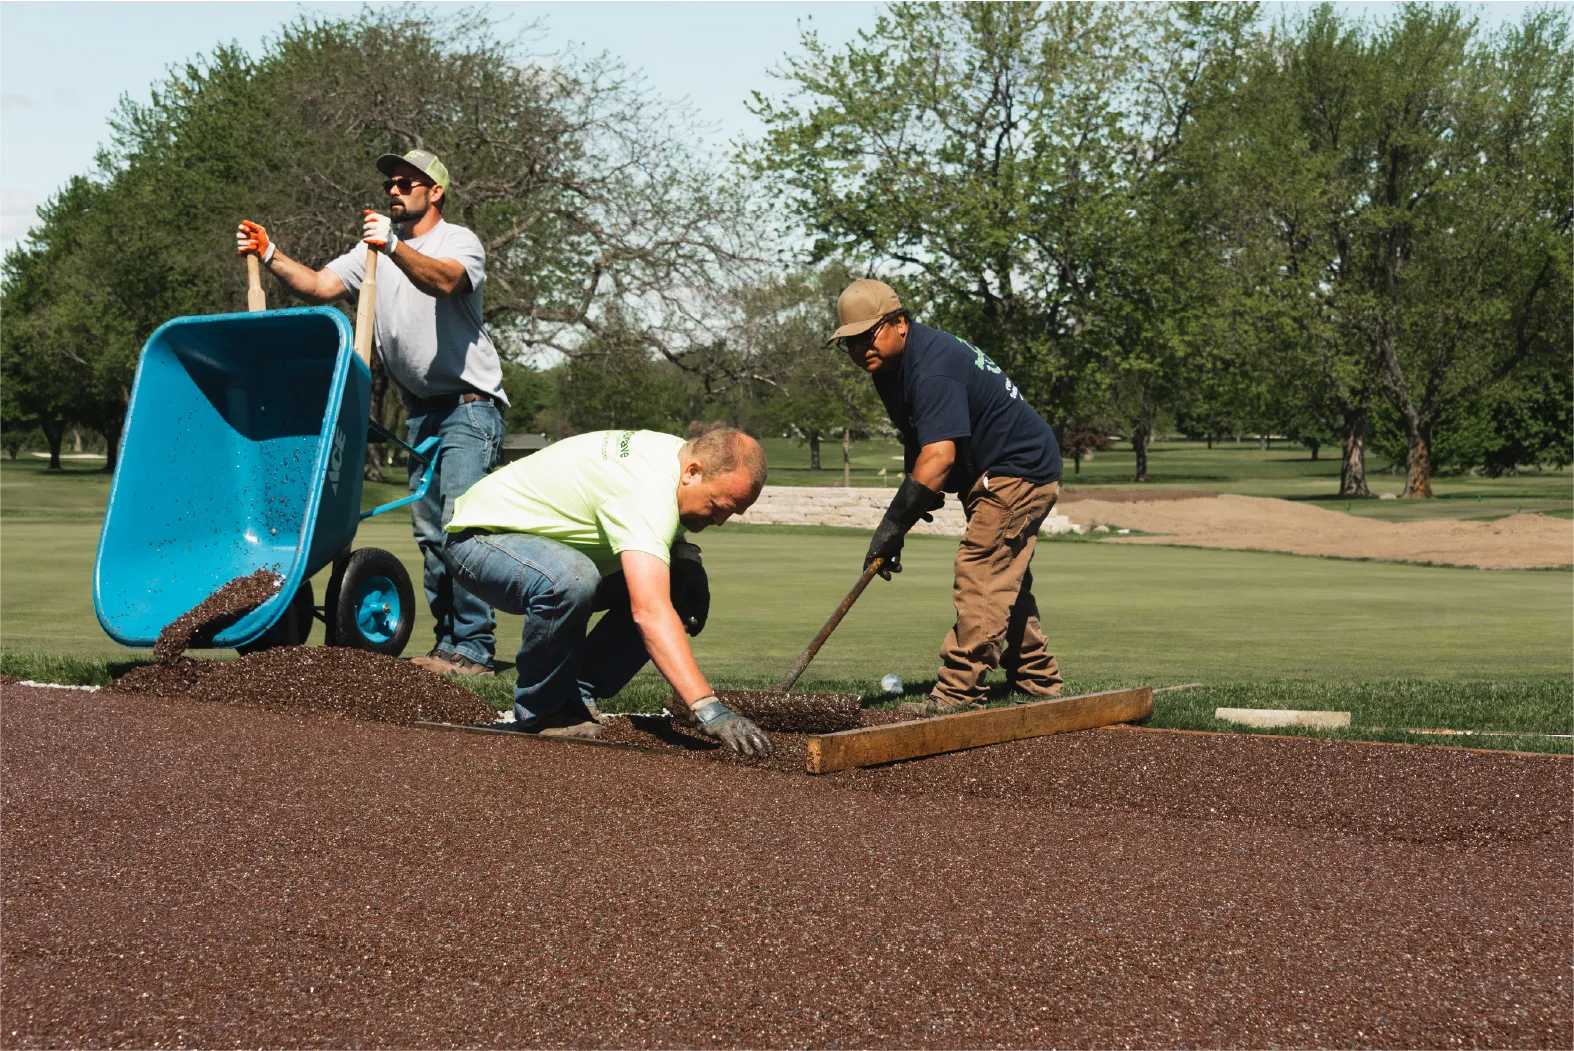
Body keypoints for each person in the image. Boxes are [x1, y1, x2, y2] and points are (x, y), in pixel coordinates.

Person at [235, 148, 507, 677]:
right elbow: (318, 285)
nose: (396, 189)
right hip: (421, 415)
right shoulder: (372, 253)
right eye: (392, 183)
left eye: (408, 182)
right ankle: (451, 646)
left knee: (462, 528)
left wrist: (394, 244)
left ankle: (474, 650)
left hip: (469, 408)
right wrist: (270, 253)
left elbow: (446, 280)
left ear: (436, 192)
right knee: (431, 537)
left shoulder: (458, 242)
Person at [440, 426, 774, 756]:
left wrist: (686, 559)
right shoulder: (647, 487)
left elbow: (655, 530)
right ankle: (542, 709)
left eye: (731, 513)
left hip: (540, 547)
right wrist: (708, 708)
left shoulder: (677, 458)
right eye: (718, 506)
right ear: (693, 472)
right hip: (478, 541)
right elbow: (649, 612)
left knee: (677, 582)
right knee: (570, 577)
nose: (719, 521)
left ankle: (574, 692)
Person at [829, 279, 1065, 715]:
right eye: (851, 343)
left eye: (869, 335)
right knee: (1006, 580)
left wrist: (891, 526)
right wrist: (907, 516)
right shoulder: (891, 366)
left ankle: (958, 692)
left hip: (1016, 470)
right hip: (995, 470)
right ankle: (1037, 681)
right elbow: (922, 443)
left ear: (899, 323)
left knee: (981, 573)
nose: (861, 349)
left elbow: (939, 456)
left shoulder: (932, 365)